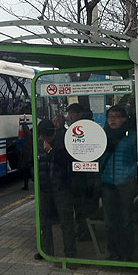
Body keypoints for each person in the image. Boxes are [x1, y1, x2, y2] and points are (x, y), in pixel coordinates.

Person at [99, 105, 138, 261]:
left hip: (126, 185)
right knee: (109, 222)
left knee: (126, 221)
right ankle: (113, 251)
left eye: (116, 116)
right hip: (107, 184)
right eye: (110, 117)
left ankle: (127, 253)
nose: (113, 119)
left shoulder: (132, 137)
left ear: (124, 119)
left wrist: (129, 174)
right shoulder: (102, 137)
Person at [36, 119, 76, 258]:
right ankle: (45, 250)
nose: (44, 138)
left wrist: (51, 151)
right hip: (45, 187)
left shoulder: (63, 142)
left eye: (47, 135)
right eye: (42, 135)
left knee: (66, 221)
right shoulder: (39, 144)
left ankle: (70, 253)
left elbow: (66, 162)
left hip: (61, 188)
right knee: (44, 221)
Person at [66, 103, 101, 242]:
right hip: (77, 176)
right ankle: (82, 230)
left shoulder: (88, 129)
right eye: (69, 114)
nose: (70, 116)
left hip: (88, 177)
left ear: (79, 114)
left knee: (87, 207)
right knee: (79, 207)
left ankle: (87, 233)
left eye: (72, 113)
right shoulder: (72, 130)